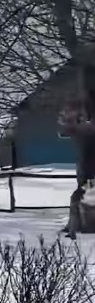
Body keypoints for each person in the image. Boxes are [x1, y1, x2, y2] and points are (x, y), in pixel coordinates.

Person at [59, 99, 95, 237]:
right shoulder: (86, 133)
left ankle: (73, 229)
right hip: (87, 174)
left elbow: (86, 158)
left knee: (77, 199)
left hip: (89, 175)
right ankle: (73, 227)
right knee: (78, 199)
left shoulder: (86, 133)